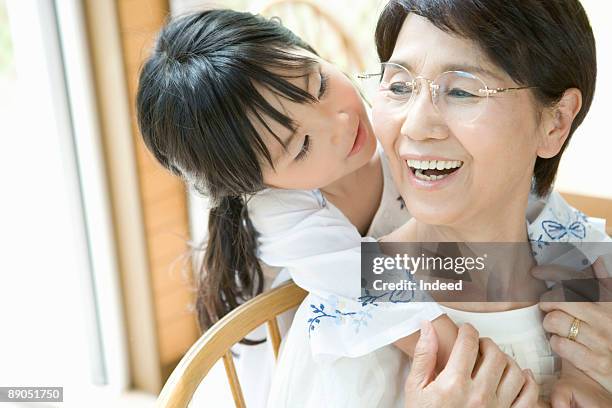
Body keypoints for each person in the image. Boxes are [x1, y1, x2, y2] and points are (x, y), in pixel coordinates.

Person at [266, 0, 611, 406]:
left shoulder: (592, 268)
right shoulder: (344, 330)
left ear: (555, 122)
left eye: (462, 90)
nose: (416, 124)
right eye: (398, 86)